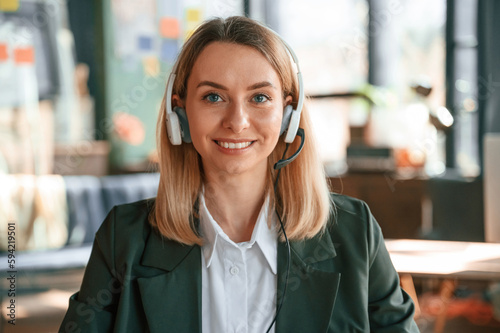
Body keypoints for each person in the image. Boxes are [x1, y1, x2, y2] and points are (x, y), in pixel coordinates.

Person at [60, 16, 419, 333]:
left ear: (289, 115)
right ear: (179, 113)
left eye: (259, 98)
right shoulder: (123, 239)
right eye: (213, 97)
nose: (237, 121)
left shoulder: (355, 234)